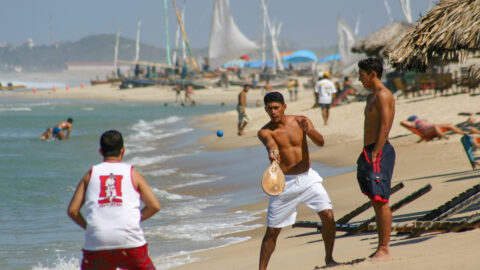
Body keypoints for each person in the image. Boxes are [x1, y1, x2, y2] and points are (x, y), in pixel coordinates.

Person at [257, 92, 337, 269]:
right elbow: (271, 145)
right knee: (272, 231)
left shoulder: (300, 121)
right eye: (269, 109)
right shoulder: (265, 131)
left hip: (308, 178)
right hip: (284, 183)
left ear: (284, 107)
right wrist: (273, 154)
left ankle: (329, 259)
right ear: (265, 110)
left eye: (276, 107)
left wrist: (308, 129)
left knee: (328, 215)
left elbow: (321, 142)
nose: (273, 112)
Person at [67, 130, 161, 270]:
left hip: (97, 243)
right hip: (130, 241)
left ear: (100, 151)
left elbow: (73, 211)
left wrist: (89, 228)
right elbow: (154, 206)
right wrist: (134, 219)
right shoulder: (132, 173)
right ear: (122, 151)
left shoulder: (90, 174)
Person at [357, 58, 395, 261]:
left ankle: (384, 248)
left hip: (379, 151)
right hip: (369, 150)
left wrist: (376, 153)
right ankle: (382, 246)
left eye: (361, 75)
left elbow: (385, 126)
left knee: (381, 200)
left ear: (372, 74)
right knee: (375, 198)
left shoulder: (383, 95)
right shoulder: (370, 97)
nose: (359, 79)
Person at [400, 115, 465, 142]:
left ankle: (463, 133)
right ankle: (443, 136)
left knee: (449, 125)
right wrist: (412, 122)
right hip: (426, 131)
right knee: (435, 126)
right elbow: (402, 122)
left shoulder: (421, 120)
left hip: (432, 127)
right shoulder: (412, 123)